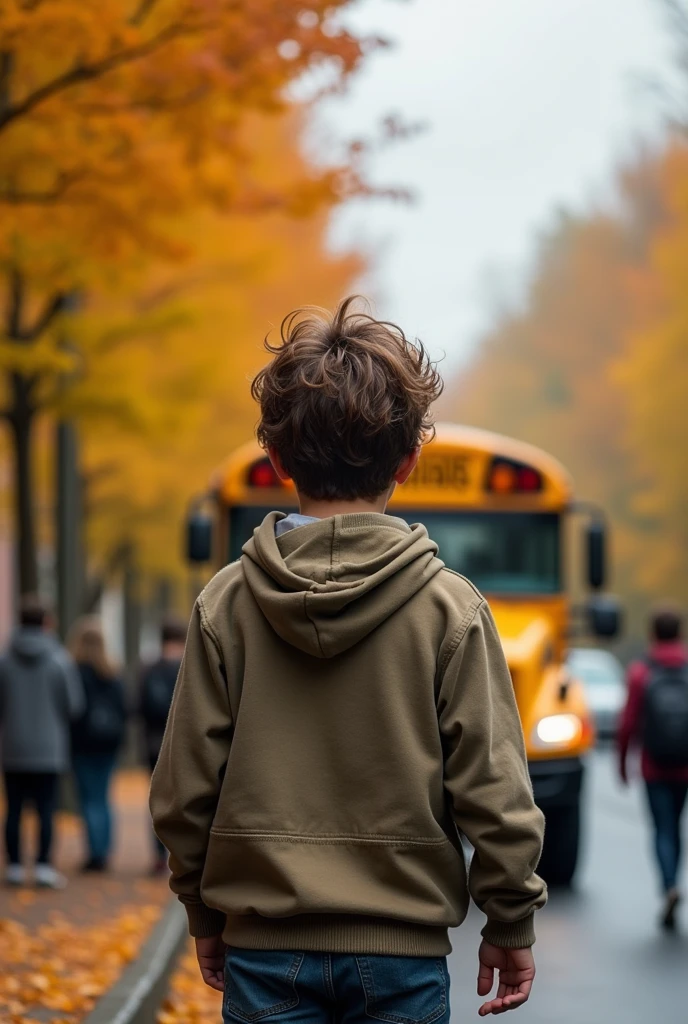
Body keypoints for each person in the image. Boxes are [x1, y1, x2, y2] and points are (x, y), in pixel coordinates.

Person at [150, 297, 546, 1021]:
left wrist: (203, 911)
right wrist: (509, 918)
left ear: (275, 460)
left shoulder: (226, 605)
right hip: (405, 953)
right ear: (410, 460)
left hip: (264, 950)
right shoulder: (450, 609)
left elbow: (183, 792)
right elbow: (494, 788)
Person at [0, 595, 83, 888]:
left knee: (13, 809)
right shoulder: (60, 661)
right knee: (47, 808)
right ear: (46, 622)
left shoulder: (5, 661)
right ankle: (44, 865)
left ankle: (13, 865)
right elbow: (74, 705)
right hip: (49, 749)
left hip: (12, 748)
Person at [618, 606, 688, 930]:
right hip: (684, 765)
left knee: (662, 829)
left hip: (653, 766)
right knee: (676, 824)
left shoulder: (641, 671)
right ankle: (674, 881)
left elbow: (628, 722)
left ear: (653, 633)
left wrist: (621, 763)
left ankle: (669, 886)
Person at [68, 616, 127, 872]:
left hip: (82, 745)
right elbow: (125, 709)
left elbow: (70, 710)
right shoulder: (113, 673)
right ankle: (104, 850)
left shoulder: (73, 672)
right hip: (108, 744)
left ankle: (95, 854)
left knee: (89, 798)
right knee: (103, 797)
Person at [140, 615, 186, 874]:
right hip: (183, 745)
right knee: (184, 799)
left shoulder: (149, 669)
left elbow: (139, 706)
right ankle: (181, 855)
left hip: (153, 743)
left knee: (157, 801)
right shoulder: (189, 667)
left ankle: (159, 855)